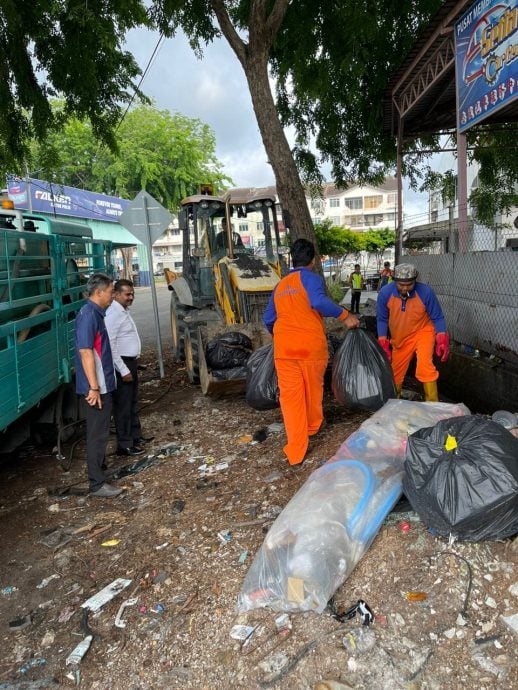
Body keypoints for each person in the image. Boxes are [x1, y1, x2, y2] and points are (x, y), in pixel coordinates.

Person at [263, 238, 360, 465]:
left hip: (284, 350)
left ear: (291, 260)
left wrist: (281, 334)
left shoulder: (280, 285)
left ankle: (296, 450)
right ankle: (313, 427)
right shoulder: (311, 279)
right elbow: (318, 302)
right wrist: (346, 316)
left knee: (291, 398)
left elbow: (268, 319)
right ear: (313, 260)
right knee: (312, 389)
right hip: (309, 348)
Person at [75, 273, 121, 498]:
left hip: (102, 385)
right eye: (111, 291)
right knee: (97, 435)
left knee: (101, 433)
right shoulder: (88, 315)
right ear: (99, 292)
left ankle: (100, 472)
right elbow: (85, 352)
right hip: (96, 389)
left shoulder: (96, 313)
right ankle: (96, 484)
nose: (113, 295)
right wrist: (93, 388)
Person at [376, 263, 450, 402]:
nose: (405, 288)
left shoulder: (425, 292)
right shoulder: (385, 293)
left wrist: (441, 336)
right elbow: (382, 319)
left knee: (425, 366)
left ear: (415, 280)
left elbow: (437, 316)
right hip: (400, 338)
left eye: (409, 284)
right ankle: (392, 405)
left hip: (423, 332)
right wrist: (382, 340)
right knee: (396, 373)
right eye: (401, 285)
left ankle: (433, 405)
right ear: (395, 280)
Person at [105, 279, 154, 456]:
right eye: (127, 294)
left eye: (132, 294)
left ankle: (135, 436)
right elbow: (109, 344)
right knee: (123, 406)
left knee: (133, 402)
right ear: (116, 294)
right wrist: (123, 369)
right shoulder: (113, 314)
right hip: (122, 365)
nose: (131, 297)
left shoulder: (123, 311)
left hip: (130, 362)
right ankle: (124, 444)